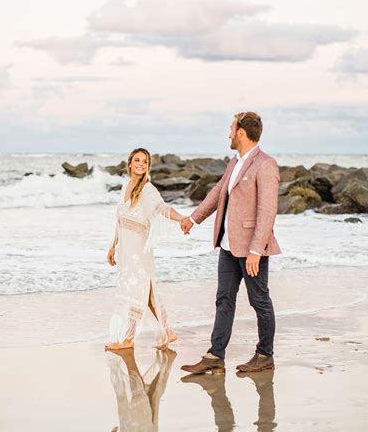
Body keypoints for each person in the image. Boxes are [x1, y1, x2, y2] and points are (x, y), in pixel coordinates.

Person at [180, 111, 281, 374]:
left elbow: (267, 211)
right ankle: (215, 355)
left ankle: (264, 354)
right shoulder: (233, 162)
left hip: (251, 249)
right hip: (227, 246)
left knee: (259, 300)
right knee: (224, 299)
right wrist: (193, 218)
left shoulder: (266, 164)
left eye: (230, 129)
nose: (227, 133)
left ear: (241, 133)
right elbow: (218, 192)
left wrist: (256, 250)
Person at [106, 147, 185, 351]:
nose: (141, 164)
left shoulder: (148, 189)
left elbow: (162, 208)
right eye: (137, 160)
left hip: (139, 250)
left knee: (138, 292)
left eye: (145, 162)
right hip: (126, 250)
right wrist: (112, 246)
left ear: (147, 167)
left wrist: (182, 219)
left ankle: (129, 339)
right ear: (130, 163)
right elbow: (120, 219)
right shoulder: (126, 186)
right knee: (146, 293)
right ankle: (167, 330)